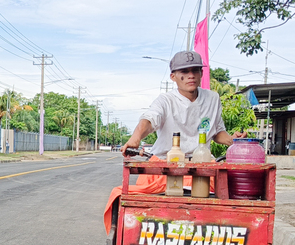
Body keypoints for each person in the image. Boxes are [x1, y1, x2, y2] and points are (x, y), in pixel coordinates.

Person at [103, 51, 246, 232]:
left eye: (195, 70)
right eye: (184, 72)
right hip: (163, 167)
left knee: (231, 200)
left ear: (201, 73)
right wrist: (135, 137)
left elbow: (217, 131)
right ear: (173, 76)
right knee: (130, 202)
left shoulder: (213, 99)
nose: (190, 76)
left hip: (201, 168)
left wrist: (235, 141)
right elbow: (149, 120)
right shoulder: (165, 101)